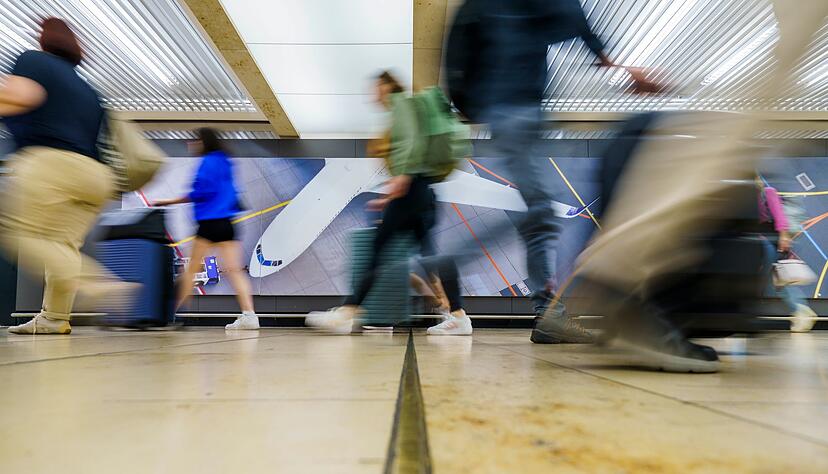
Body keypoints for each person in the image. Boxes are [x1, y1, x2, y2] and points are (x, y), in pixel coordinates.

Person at [459, 0, 659, 344]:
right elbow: (570, 16)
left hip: (516, 111)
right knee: (542, 214)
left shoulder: (487, 9)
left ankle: (550, 313)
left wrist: (466, 103)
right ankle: (444, 263)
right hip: (516, 111)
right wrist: (613, 64)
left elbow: (463, 47)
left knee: (541, 214)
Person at [307, 71, 470, 335]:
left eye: (375, 88)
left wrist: (403, 175)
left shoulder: (400, 103)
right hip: (422, 191)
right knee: (431, 255)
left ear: (385, 86)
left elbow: (411, 140)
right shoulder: (406, 107)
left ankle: (348, 312)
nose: (373, 94)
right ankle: (459, 316)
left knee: (378, 251)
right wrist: (390, 195)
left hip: (413, 187)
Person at [0, 18, 130, 335]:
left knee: (18, 232)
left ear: (44, 39)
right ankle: (55, 318)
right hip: (96, 177)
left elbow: (23, 95)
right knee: (62, 245)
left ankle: (95, 282)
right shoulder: (88, 90)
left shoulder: (34, 60)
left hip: (51, 165)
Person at [154, 128, 259, 330]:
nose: (190, 145)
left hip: (209, 224)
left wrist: (168, 201)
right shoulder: (225, 161)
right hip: (228, 223)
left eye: (193, 141)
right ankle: (250, 315)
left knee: (191, 268)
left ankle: (169, 315)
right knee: (235, 270)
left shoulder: (207, 162)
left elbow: (198, 192)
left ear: (202, 142)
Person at [757, 179, 817, 333]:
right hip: (763, 241)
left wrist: (784, 236)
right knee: (778, 281)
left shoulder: (767, 192)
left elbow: (779, 216)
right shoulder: (751, 195)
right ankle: (801, 310)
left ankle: (801, 310)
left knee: (776, 281)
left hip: (771, 242)